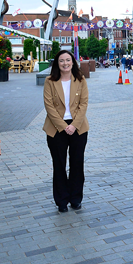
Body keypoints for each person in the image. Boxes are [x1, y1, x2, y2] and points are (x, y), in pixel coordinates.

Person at [43, 50, 89, 213]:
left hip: (78, 127)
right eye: (61, 61)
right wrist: (63, 126)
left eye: (68, 60)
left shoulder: (80, 79)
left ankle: (76, 199)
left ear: (72, 62)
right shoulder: (50, 81)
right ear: (57, 63)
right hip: (56, 128)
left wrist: (74, 125)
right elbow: (48, 106)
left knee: (77, 164)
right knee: (59, 165)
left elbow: (83, 104)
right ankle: (61, 200)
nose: (65, 63)